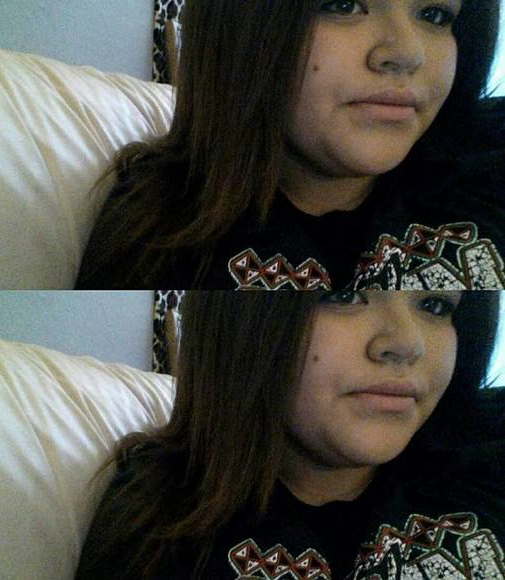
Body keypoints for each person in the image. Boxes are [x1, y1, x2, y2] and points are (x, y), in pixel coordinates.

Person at [76, 0, 505, 290]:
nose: (408, 52)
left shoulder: (483, 167)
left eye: (434, 14)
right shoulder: (160, 230)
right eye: (342, 5)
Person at [75, 290, 504, 579]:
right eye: (343, 295)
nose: (409, 343)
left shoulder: (484, 454)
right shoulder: (161, 529)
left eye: (434, 305)